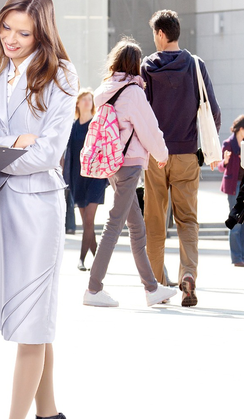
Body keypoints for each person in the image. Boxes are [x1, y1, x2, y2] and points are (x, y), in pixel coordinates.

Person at [0, 0, 77, 419]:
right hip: (4, 208)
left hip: (39, 211)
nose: (11, 39)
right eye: (6, 27)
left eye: (24, 33)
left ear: (41, 36)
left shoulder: (62, 76)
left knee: (31, 325)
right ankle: (49, 413)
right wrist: (14, 142)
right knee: (34, 319)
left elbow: (50, 153)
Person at [82, 38, 177, 307]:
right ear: (135, 65)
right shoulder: (133, 92)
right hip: (129, 163)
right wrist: (162, 155)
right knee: (114, 224)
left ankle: (151, 288)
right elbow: (149, 127)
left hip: (113, 164)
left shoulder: (106, 90)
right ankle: (93, 288)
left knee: (136, 227)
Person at [142, 9, 221, 307]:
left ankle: (157, 285)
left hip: (154, 156)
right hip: (187, 154)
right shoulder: (196, 66)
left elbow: (139, 112)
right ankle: (188, 275)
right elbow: (213, 111)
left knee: (154, 221)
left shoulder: (147, 67)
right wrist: (204, 149)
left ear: (161, 34)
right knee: (187, 220)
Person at [64, 88, 109, 271]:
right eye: (83, 99)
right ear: (78, 103)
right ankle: (99, 260)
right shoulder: (73, 126)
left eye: (89, 99)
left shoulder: (96, 124)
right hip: (78, 179)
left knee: (89, 220)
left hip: (96, 178)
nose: (87, 102)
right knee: (86, 223)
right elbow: (70, 156)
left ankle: (81, 260)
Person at [220, 115, 244, 267]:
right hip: (233, 187)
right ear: (241, 129)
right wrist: (225, 161)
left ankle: (242, 258)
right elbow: (220, 166)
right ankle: (236, 258)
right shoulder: (228, 144)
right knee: (236, 223)